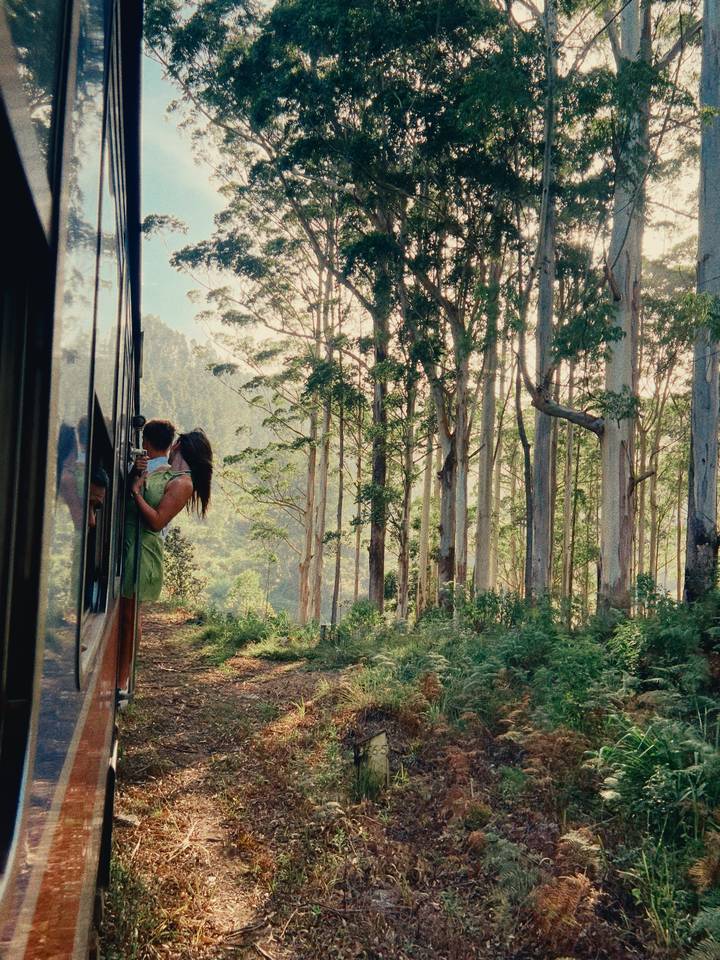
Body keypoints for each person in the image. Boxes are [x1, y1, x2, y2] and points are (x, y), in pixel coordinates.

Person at [118, 428, 213, 693]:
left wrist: (136, 493)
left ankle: (122, 682)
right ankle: (120, 679)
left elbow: (157, 521)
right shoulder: (166, 472)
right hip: (129, 544)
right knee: (125, 615)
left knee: (129, 618)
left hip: (143, 550)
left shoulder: (183, 482)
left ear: (179, 445)